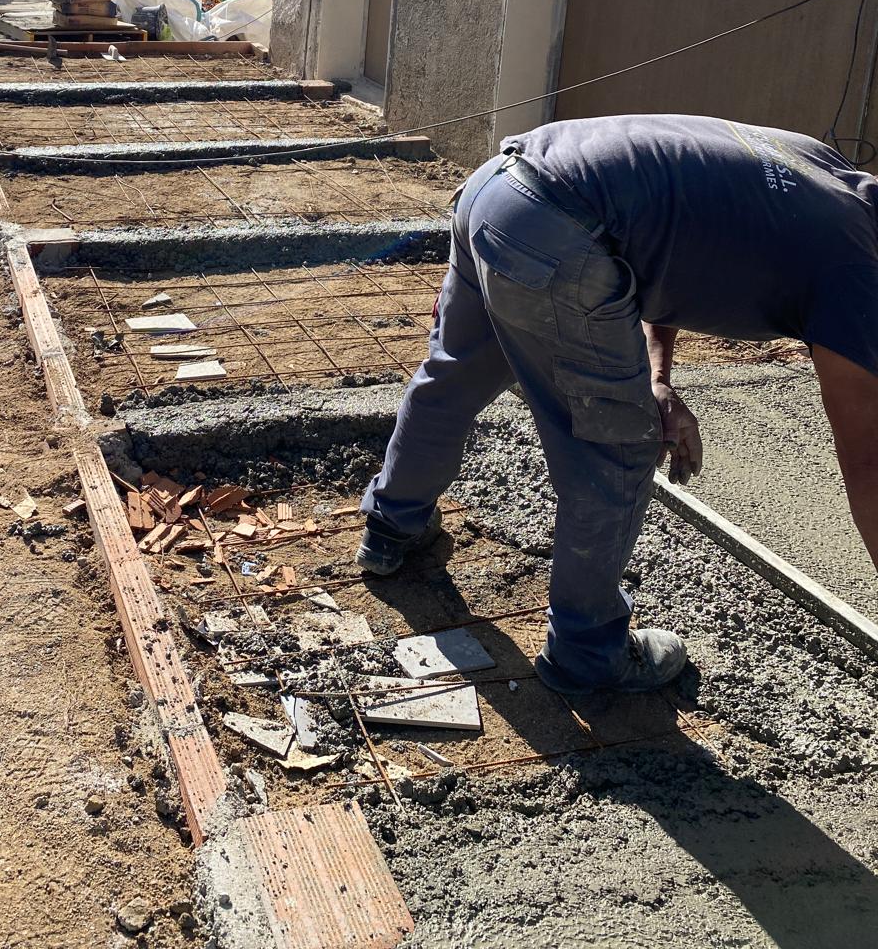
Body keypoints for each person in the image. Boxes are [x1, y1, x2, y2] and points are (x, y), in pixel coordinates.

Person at [356, 115, 878, 695]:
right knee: (616, 447)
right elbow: (868, 462)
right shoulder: (856, 273)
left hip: (500, 188)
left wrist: (657, 378)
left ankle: (390, 528)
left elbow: (670, 235)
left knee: (452, 376)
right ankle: (588, 652)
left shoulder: (820, 173)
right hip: (563, 234)